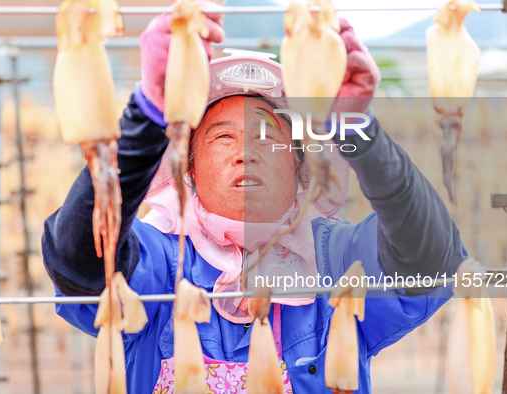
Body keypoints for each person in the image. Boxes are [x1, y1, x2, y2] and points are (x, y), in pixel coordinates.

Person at [42, 7, 466, 394]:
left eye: (268, 135)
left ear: (301, 169)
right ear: (186, 171)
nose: (246, 151)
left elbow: (429, 258)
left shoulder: (335, 259)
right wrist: (149, 115)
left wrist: (356, 127)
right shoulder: (162, 260)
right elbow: (79, 260)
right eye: (223, 136)